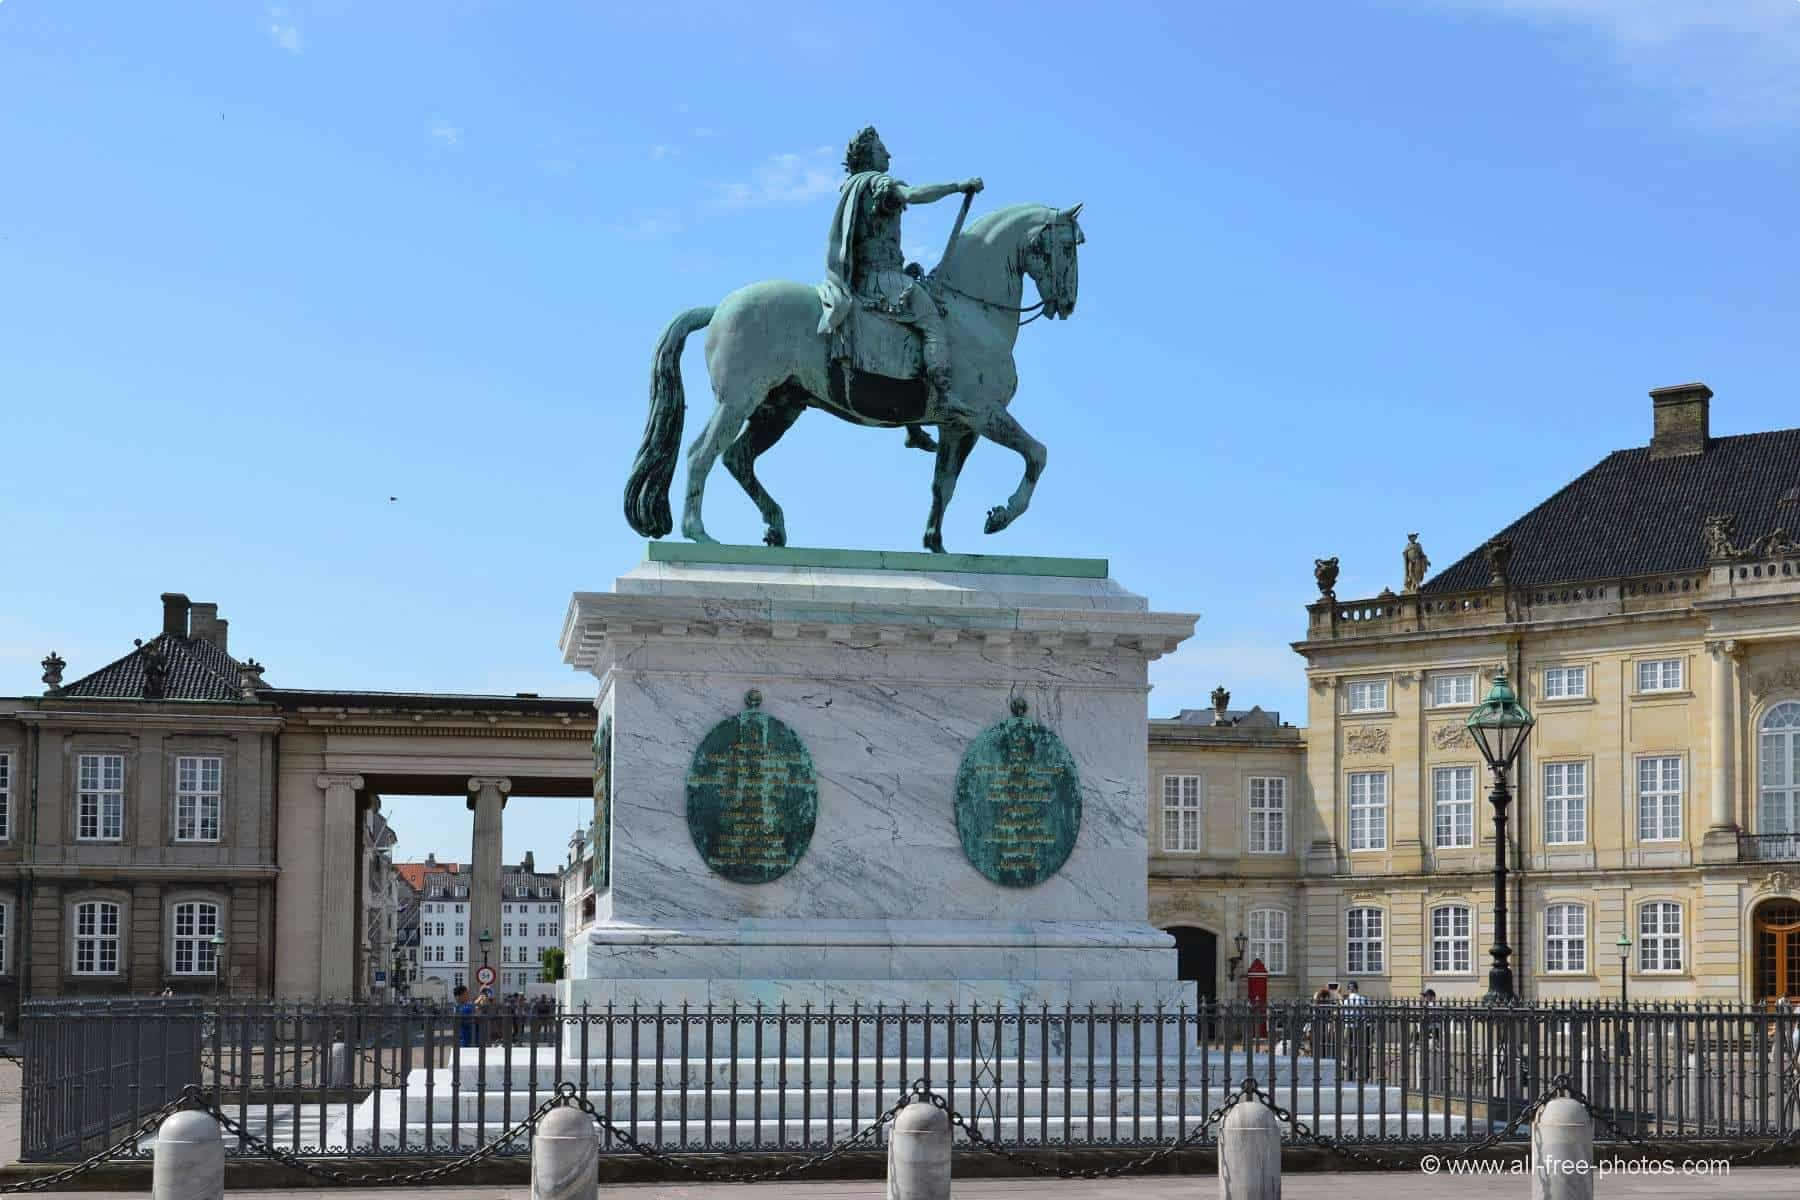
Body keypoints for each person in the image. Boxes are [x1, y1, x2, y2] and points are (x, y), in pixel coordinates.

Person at [818, 126, 984, 445]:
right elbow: (913, 195)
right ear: (869, 157)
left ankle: (912, 425)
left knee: (906, 328)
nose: (889, 155)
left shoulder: (853, 186)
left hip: (879, 273)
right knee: (933, 322)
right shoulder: (877, 183)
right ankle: (945, 396)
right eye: (882, 151)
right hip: (882, 279)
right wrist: (957, 186)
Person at [453, 985, 475, 1050]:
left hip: (470, 1040)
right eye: (466, 994)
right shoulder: (459, 1008)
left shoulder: (466, 1005)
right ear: (459, 996)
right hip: (465, 1041)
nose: (468, 995)